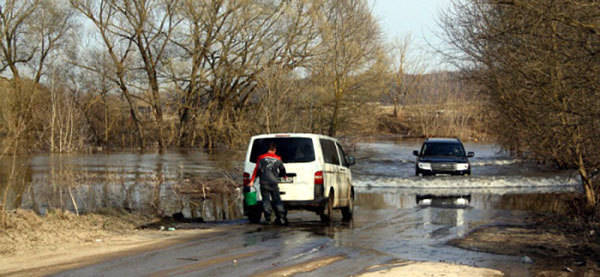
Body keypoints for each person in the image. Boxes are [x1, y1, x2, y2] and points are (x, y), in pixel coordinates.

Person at [248, 142, 288, 225]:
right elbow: (282, 169)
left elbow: (257, 170)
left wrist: (252, 181)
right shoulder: (278, 158)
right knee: (277, 200)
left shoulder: (261, 158)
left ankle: (268, 218)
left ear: (268, 150)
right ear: (275, 150)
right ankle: (282, 217)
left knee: (266, 201)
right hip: (274, 182)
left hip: (264, 182)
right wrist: (284, 176)